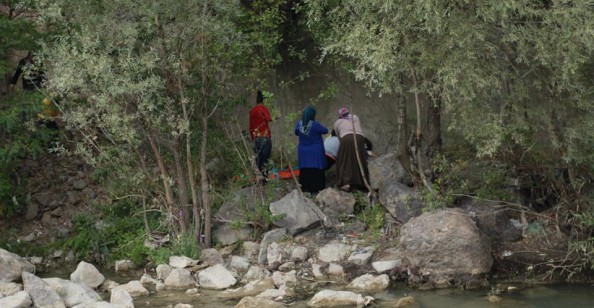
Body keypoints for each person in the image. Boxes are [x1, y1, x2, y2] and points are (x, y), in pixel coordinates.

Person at [333, 107, 369, 192]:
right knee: (360, 158)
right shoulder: (355, 117)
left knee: (344, 159)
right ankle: (362, 182)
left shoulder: (338, 122)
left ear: (340, 115)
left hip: (347, 138)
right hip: (360, 138)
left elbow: (338, 136)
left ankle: (346, 183)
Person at [295, 105, 328, 193]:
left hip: (303, 151)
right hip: (315, 150)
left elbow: (296, 133)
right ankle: (317, 188)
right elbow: (326, 130)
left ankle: (305, 187)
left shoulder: (298, 124)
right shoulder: (315, 124)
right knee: (316, 169)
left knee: (305, 169)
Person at [249, 90, 273, 180]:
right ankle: (265, 181)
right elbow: (269, 118)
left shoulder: (252, 111)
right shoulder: (263, 108)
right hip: (265, 138)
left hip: (256, 139)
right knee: (265, 162)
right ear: (264, 100)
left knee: (258, 161)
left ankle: (259, 181)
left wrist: (253, 139)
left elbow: (250, 127)